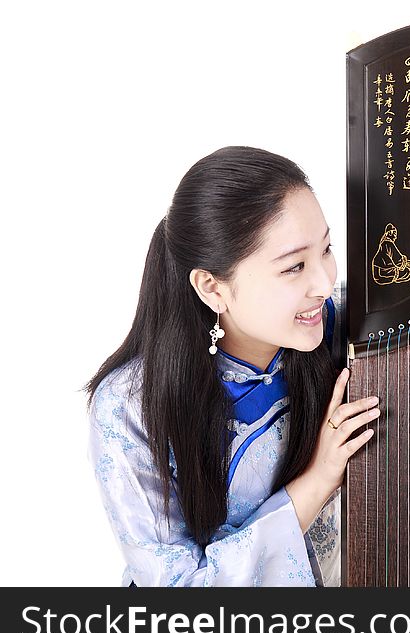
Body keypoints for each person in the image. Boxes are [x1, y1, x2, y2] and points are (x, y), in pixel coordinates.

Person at [85, 146, 378, 586]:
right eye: (294, 267)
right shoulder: (129, 407)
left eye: (327, 250)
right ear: (212, 288)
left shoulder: (340, 326)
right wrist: (315, 484)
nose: (322, 282)